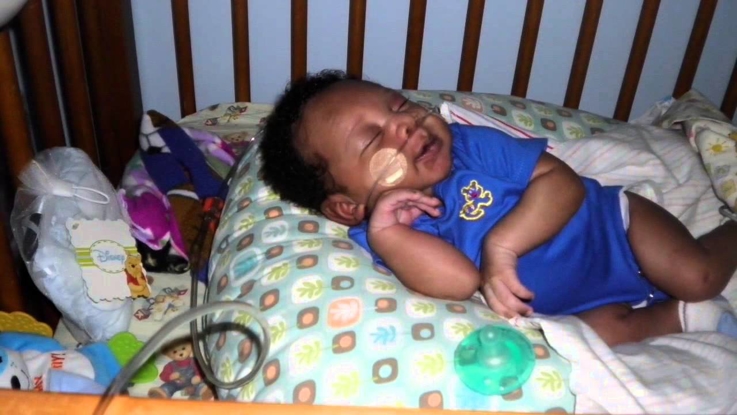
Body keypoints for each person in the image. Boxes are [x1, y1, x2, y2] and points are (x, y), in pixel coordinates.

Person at [259, 69, 737, 346]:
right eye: (372, 139)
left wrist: (502, 246)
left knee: (696, 276)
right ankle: (683, 319)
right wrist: (389, 235)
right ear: (347, 208)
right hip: (579, 306)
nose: (404, 126)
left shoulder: (470, 148)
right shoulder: (391, 232)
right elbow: (459, 283)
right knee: (592, 342)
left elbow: (563, 184)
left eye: (400, 106)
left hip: (616, 229)